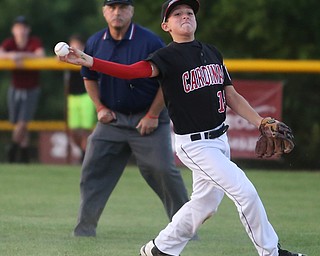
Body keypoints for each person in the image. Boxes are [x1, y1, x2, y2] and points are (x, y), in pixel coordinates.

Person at [59, 0, 306, 255]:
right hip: (196, 145)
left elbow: (231, 95)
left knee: (204, 205)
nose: (185, 16)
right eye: (177, 14)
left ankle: (159, 249)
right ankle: (271, 252)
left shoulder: (211, 51)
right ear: (166, 25)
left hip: (220, 140)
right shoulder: (165, 57)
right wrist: (91, 61)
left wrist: (260, 122)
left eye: (189, 12)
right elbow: (131, 72)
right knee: (245, 192)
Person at [70, 0, 190, 237]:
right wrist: (99, 107)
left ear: (131, 11)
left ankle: (186, 229)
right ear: (104, 12)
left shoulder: (150, 41)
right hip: (112, 121)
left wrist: (153, 114)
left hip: (148, 118)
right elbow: (89, 77)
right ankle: (84, 231)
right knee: (92, 170)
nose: (117, 12)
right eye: (112, 7)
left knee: (164, 172)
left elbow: (167, 82)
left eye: (123, 7)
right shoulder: (95, 42)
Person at [0, 16, 45, 163]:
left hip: (31, 87)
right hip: (15, 87)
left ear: (28, 29)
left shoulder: (33, 41)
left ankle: (12, 149)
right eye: (18, 27)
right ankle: (24, 152)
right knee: (16, 122)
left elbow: (40, 55)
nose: (21, 30)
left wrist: (20, 55)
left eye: (23, 27)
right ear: (13, 30)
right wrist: (12, 55)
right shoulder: (10, 43)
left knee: (23, 122)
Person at [65, 34, 96, 162]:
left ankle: (85, 156)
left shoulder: (86, 58)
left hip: (86, 95)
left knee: (86, 129)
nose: (74, 48)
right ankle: (83, 151)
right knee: (73, 130)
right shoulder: (66, 59)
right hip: (73, 97)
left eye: (77, 45)